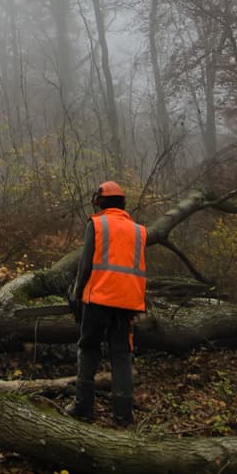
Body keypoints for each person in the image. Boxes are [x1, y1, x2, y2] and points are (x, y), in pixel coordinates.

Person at [67, 180, 147, 425]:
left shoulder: (98, 224)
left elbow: (85, 264)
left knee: (89, 348)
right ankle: (123, 414)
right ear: (122, 202)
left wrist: (77, 292)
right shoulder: (138, 230)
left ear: (100, 201)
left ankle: (83, 405)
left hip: (99, 299)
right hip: (127, 302)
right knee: (121, 355)